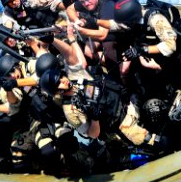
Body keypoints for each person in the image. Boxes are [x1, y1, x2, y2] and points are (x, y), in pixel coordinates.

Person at [39, 67, 173, 156]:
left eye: (62, 77)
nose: (64, 81)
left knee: (160, 109)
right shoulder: (70, 110)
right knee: (161, 143)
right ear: (57, 91)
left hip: (129, 105)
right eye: (59, 83)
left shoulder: (79, 80)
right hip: (123, 126)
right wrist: (95, 117)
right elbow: (92, 134)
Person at [0, 0, 65, 30]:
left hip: (56, 21)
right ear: (7, 5)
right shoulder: (8, 12)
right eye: (10, 2)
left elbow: (54, 4)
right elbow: (7, 24)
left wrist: (68, 7)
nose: (14, 2)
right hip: (39, 33)